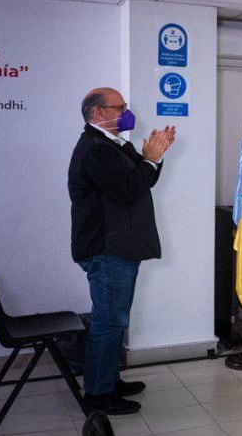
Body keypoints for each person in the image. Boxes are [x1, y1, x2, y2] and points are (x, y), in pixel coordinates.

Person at [68, 89, 175, 414]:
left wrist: (152, 158)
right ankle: (98, 395)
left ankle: (110, 381)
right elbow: (129, 190)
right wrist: (149, 159)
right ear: (98, 113)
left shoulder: (114, 144)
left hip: (120, 247)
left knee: (113, 320)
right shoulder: (96, 149)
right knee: (108, 322)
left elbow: (142, 181)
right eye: (120, 107)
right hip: (106, 248)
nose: (127, 112)